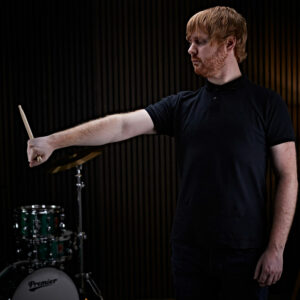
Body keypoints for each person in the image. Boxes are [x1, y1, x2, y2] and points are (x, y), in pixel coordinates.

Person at [27, 6, 298, 300]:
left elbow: (288, 177)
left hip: (245, 253)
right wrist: (53, 141)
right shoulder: (182, 106)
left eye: (200, 41)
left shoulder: (267, 104)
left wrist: (276, 249)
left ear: (229, 43)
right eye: (189, 42)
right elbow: (121, 125)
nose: (191, 50)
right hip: (189, 253)